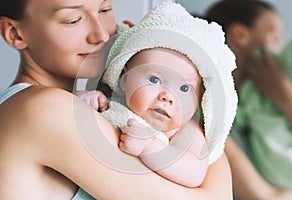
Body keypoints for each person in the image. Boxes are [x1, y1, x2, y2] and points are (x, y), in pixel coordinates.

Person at [0, 0, 233, 199]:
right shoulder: (46, 110)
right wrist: (200, 128)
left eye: (104, 10)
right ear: (14, 33)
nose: (101, 34)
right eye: (73, 20)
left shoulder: (94, 106)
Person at [78, 2, 238, 188]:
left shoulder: (185, 130)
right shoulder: (110, 101)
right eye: (154, 80)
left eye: (185, 89)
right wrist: (86, 101)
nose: (168, 97)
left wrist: (150, 146)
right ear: (124, 78)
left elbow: (194, 173)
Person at [204, 0, 292, 199]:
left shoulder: (265, 102)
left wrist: (288, 99)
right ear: (241, 35)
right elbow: (264, 197)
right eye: (274, 38)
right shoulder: (210, 110)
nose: (279, 51)